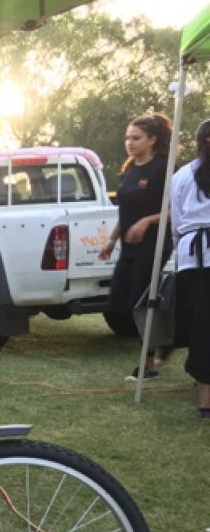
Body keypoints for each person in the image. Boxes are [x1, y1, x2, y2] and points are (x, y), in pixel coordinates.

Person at [99, 113, 173, 381]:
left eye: (136, 138)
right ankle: (167, 338)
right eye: (127, 138)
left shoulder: (164, 168)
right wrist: (111, 240)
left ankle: (149, 365)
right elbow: (125, 212)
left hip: (154, 245)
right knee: (117, 303)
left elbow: (175, 210)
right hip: (129, 248)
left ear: (152, 139)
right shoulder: (130, 169)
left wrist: (146, 222)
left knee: (141, 304)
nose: (130, 143)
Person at [170, 119, 210, 418]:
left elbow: (175, 220)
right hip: (196, 251)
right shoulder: (184, 174)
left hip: (193, 257)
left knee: (202, 325)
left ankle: (205, 399)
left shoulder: (183, 175)